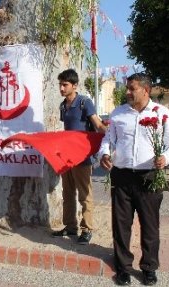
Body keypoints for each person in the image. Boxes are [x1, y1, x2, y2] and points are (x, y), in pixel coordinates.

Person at [99, 73, 169, 286]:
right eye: (127, 87)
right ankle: (123, 267)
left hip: (149, 177)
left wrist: (166, 158)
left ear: (145, 90)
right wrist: (104, 154)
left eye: (132, 88)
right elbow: (108, 139)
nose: (127, 92)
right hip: (122, 175)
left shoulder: (162, 114)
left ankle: (149, 268)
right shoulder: (118, 114)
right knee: (121, 224)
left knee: (150, 225)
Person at [52, 69, 107, 245]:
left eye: (65, 84)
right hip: (67, 156)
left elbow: (97, 124)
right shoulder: (62, 105)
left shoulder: (85, 102)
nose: (61, 88)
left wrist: (112, 138)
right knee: (67, 193)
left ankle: (87, 229)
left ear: (74, 85)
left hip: (82, 157)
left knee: (85, 194)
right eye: (60, 84)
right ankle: (70, 226)